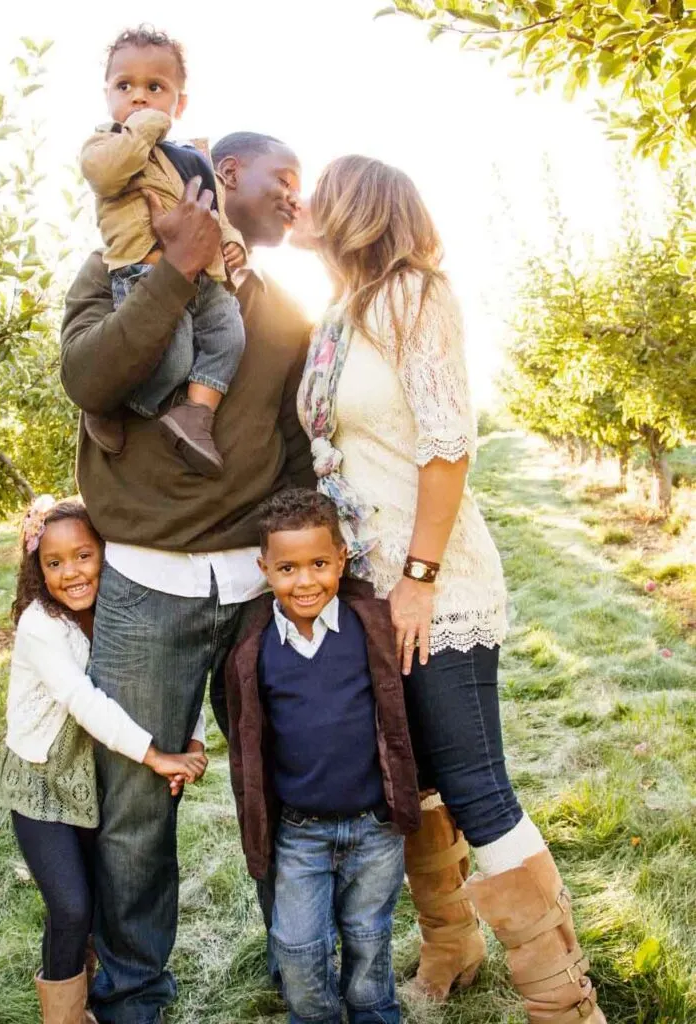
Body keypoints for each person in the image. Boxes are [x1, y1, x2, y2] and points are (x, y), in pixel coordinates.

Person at [295, 155, 606, 1024]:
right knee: (417, 780)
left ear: (357, 209)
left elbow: (446, 446)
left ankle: (560, 999)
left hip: (434, 584)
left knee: (473, 783)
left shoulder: (413, 296)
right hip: (370, 590)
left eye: (321, 194)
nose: (306, 204)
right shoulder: (338, 317)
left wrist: (419, 580)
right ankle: (451, 947)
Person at [61, 129, 311, 1022]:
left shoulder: (282, 312)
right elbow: (90, 378)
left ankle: (304, 975)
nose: (295, 194)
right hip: (143, 590)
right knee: (134, 812)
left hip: (255, 595)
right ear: (224, 178)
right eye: (283, 177)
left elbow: (293, 451)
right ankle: (133, 999)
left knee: (285, 788)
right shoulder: (112, 272)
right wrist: (174, 271)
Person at [0, 496, 207, 1024]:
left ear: (106, 553)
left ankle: (102, 994)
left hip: (95, 776)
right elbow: (82, 701)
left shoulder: (117, 613)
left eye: (84, 555)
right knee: (70, 907)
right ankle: (64, 1018)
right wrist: (155, 755)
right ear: (37, 570)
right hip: (42, 784)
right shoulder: (40, 626)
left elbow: (171, 670)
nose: (72, 573)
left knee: (97, 902)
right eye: (54, 562)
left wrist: (194, 739)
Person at [225, 489, 420, 1024]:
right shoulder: (255, 648)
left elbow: (401, 717)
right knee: (297, 943)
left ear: (341, 558)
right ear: (265, 569)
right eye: (287, 568)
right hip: (301, 831)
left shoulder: (370, 627)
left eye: (318, 564)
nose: (304, 580)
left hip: (374, 828)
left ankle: (374, 1011)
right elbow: (246, 740)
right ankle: (313, 1016)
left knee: (368, 935)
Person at [80, 26, 247, 478]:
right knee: (173, 357)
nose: (138, 97)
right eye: (125, 86)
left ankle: (196, 414)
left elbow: (216, 209)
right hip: (144, 273)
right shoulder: (105, 145)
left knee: (230, 335)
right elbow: (107, 175)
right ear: (108, 95)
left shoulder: (192, 158)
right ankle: (111, 402)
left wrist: (231, 243)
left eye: (155, 88)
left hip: (204, 276)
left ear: (181, 102)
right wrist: (143, 126)